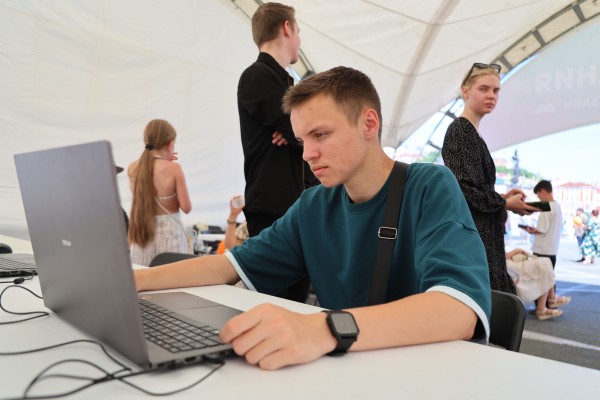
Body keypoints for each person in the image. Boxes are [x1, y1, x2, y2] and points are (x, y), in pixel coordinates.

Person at [135, 66, 491, 371]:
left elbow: (459, 309)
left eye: (320, 135)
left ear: (369, 123)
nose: (307, 154)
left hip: (417, 375)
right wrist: (138, 279)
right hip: (346, 371)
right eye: (302, 140)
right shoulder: (314, 205)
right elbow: (228, 265)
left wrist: (324, 328)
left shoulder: (429, 186)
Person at [237, 2, 319, 302]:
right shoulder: (257, 76)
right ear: (286, 28)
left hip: (297, 208)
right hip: (272, 212)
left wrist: (296, 133)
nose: (299, 38)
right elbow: (301, 130)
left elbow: (300, 131)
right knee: (273, 303)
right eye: (298, 30)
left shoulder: (285, 82)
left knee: (295, 303)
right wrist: (300, 131)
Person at [442, 62, 538, 295]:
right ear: (465, 91)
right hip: (475, 241)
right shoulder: (461, 131)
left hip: (483, 239)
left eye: (496, 90)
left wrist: (504, 198)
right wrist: (504, 203)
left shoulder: (470, 132)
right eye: (483, 89)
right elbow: (462, 191)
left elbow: (472, 188)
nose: (491, 95)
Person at [128, 119, 193, 266]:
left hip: (142, 231)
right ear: (170, 144)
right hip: (170, 235)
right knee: (173, 276)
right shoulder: (174, 169)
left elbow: (140, 201)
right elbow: (186, 208)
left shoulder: (133, 169)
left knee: (143, 276)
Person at [505, 249, 569, 320]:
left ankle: (547, 304)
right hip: (506, 264)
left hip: (508, 262)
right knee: (544, 264)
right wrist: (516, 251)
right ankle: (549, 302)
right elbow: (500, 257)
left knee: (545, 262)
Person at [519, 180, 563, 270]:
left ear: (542, 192)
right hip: (552, 251)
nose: (539, 198)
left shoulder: (546, 207)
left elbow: (541, 229)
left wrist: (530, 231)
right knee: (548, 278)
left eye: (538, 195)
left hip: (542, 252)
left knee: (538, 278)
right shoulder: (557, 206)